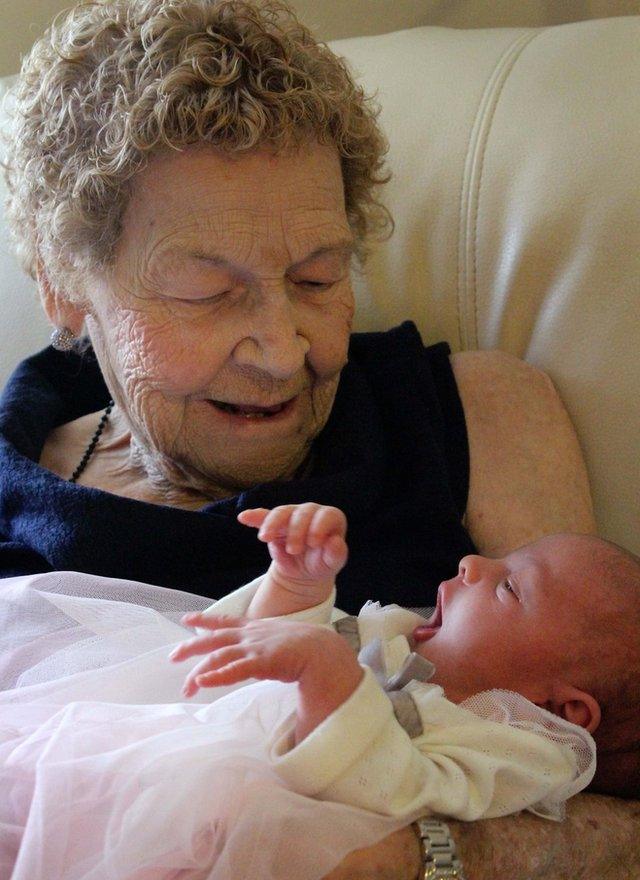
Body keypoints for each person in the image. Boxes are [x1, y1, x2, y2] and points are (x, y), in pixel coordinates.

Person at [0, 0, 623, 877]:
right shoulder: (12, 486)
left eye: (318, 277)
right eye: (206, 292)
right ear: (66, 288)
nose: (284, 350)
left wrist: (407, 858)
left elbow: (604, 782)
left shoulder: (475, 416)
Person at [1, 502, 638, 879]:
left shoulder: (526, 748)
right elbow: (258, 660)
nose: (474, 564)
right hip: (144, 747)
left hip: (201, 823)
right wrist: (297, 588)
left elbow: (400, 790)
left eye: (509, 589)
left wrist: (325, 672)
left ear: (561, 708)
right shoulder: (397, 637)